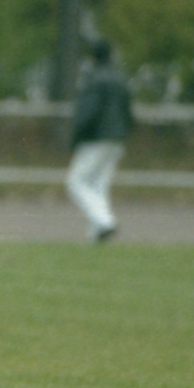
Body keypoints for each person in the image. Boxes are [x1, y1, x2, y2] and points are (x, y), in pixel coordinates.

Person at [67, 40, 133, 243]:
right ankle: (98, 232)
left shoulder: (93, 80)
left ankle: (105, 222)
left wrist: (75, 137)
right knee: (99, 184)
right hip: (117, 138)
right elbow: (128, 111)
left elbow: (88, 113)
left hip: (95, 138)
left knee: (76, 181)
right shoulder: (120, 79)